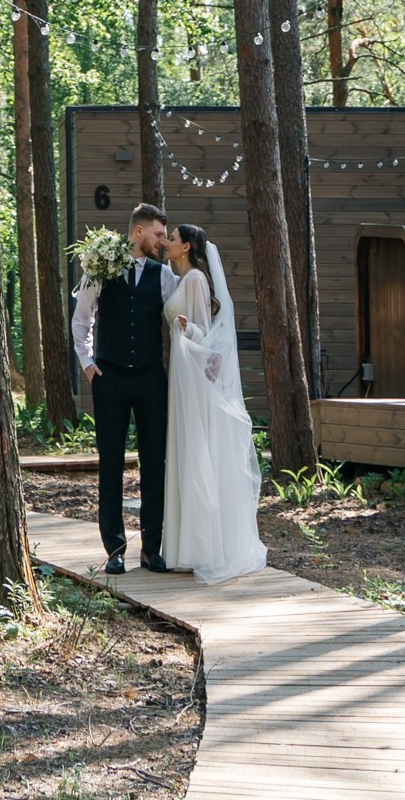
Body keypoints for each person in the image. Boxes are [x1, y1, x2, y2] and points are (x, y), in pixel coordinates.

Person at [72, 201, 177, 574]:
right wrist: (88, 364)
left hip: (151, 379)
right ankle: (114, 549)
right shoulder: (100, 268)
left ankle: (151, 549)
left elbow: (181, 317)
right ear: (139, 231)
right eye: (158, 234)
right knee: (111, 462)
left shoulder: (164, 276)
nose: (162, 241)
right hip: (110, 377)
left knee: (154, 463)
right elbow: (82, 320)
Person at [162, 219, 268, 583]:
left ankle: (200, 548)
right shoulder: (181, 278)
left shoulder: (194, 279)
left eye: (172, 238)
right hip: (182, 371)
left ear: (186, 246)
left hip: (193, 374)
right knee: (188, 450)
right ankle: (185, 548)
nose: (167, 243)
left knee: (196, 449)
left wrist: (185, 327)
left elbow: (205, 333)